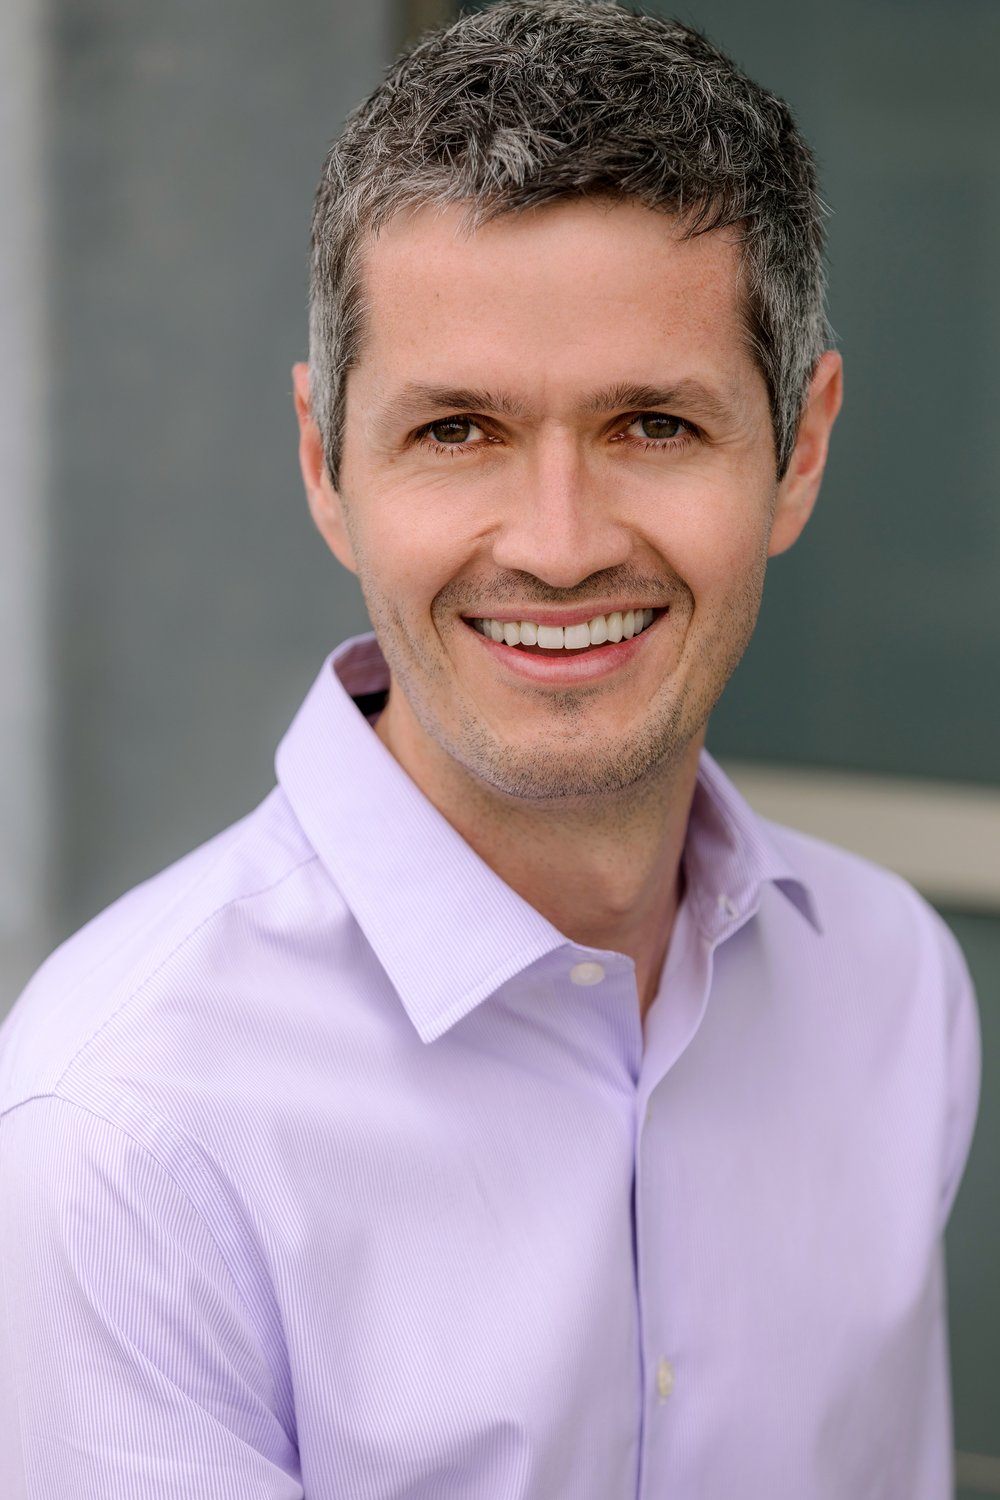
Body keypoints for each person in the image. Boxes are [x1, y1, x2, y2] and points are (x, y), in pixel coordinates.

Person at [0, 2, 981, 1495]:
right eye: (457, 430)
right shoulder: (126, 1145)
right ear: (327, 467)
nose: (561, 544)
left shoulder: (893, 987)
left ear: (800, 449)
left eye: (654, 423)